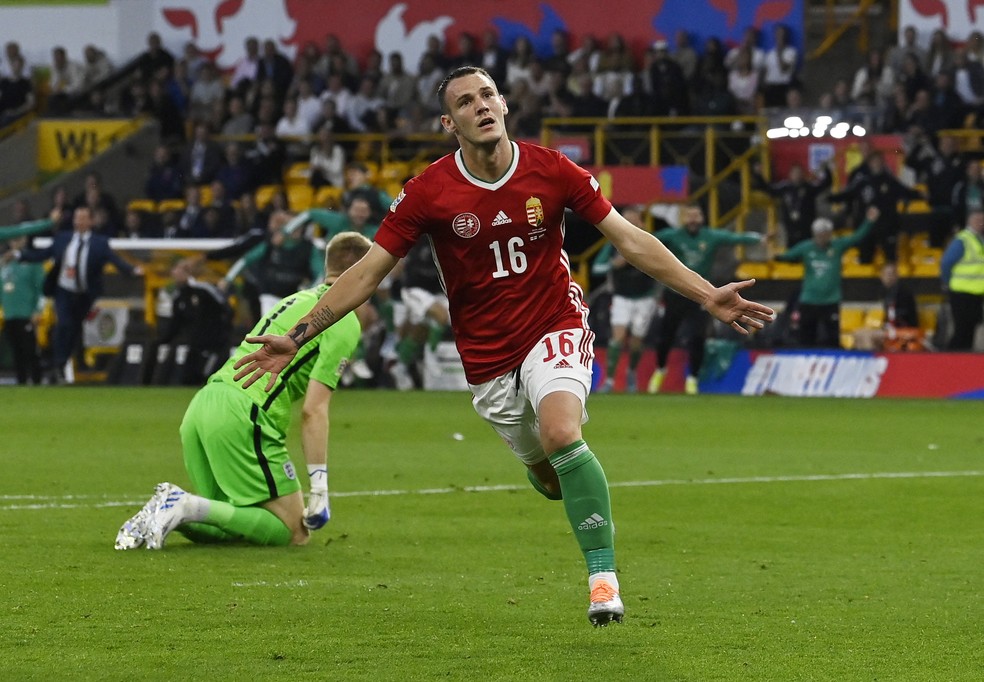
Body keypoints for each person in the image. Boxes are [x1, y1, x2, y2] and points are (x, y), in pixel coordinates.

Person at [230, 66, 775, 627]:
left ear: (505, 104)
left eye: (488, 95)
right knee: (549, 476)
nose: (481, 106)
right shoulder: (428, 192)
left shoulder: (552, 169)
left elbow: (630, 240)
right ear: (450, 122)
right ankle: (563, 479)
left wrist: (708, 295)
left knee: (564, 430)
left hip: (553, 324)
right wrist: (296, 337)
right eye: (466, 102)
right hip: (488, 358)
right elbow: (368, 273)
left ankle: (603, 580)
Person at [115, 232, 372, 551]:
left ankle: (166, 513)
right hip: (246, 414)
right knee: (293, 533)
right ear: (365, 272)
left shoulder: (294, 300)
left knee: (228, 521)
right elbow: (313, 410)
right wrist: (319, 488)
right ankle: (181, 504)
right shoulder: (342, 318)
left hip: (204, 405)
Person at [15, 206, 143, 383]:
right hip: (63, 290)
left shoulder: (100, 243)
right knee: (64, 324)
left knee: (75, 330)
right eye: (77, 218)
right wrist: (21, 255)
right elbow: (44, 254)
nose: (79, 222)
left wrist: (133, 270)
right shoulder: (63, 239)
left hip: (85, 294)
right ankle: (58, 363)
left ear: (90, 221)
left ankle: (64, 361)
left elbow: (115, 259)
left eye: (83, 218)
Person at [648, 204, 765, 395]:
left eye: (697, 215)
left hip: (700, 295)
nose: (693, 220)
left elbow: (734, 238)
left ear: (702, 218)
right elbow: (649, 240)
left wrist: (758, 238)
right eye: (690, 216)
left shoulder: (710, 236)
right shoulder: (673, 235)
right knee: (665, 336)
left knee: (698, 337)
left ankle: (692, 378)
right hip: (675, 293)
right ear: (684, 219)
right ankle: (660, 370)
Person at [775, 208, 877, 348]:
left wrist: (869, 222)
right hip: (809, 300)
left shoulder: (837, 246)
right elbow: (787, 256)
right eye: (819, 234)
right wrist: (772, 252)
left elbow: (857, 237)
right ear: (814, 234)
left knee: (833, 338)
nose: (821, 238)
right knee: (806, 338)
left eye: (824, 234)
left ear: (829, 234)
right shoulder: (806, 247)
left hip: (831, 300)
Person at [591, 206, 657, 393]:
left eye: (633, 220)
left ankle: (632, 372)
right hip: (622, 297)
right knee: (617, 338)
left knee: (636, 342)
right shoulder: (613, 242)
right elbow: (597, 268)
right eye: (625, 220)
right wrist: (615, 264)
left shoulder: (649, 241)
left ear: (640, 222)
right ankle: (610, 380)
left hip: (645, 298)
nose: (629, 224)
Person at [153, 257, 232, 385]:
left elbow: (226, 310)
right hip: (195, 345)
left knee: (209, 379)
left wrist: (223, 334)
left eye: (178, 270)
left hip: (214, 345)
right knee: (189, 379)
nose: (174, 274)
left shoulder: (204, 290)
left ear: (187, 273)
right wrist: (163, 340)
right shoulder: (179, 297)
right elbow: (176, 323)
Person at [0, 236, 45, 384]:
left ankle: (37, 381)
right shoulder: (5, 263)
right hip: (9, 314)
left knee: (30, 350)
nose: (15, 241)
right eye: (13, 238)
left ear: (25, 240)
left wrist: (38, 310)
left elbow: (41, 289)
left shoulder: (32, 261)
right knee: (16, 351)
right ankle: (21, 382)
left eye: (18, 238)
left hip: (27, 313)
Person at [940, 209, 984, 350]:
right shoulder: (963, 240)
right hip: (961, 292)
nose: (981, 223)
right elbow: (946, 262)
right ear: (970, 221)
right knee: (962, 329)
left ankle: (965, 360)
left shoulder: (979, 240)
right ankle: (951, 359)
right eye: (978, 220)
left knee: (970, 330)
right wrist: (947, 282)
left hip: (976, 293)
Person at [852, 262, 921, 351]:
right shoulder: (885, 292)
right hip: (891, 328)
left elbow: (902, 316)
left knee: (867, 336)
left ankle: (872, 358)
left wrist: (886, 328)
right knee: (858, 334)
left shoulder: (903, 292)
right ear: (881, 276)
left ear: (897, 276)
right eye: (886, 274)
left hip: (904, 329)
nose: (889, 277)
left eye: (892, 274)